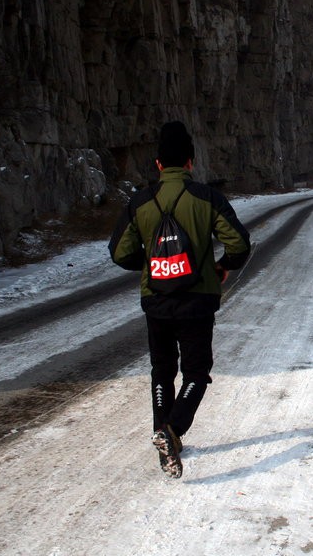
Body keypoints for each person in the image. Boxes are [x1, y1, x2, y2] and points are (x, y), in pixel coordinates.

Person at [108, 121, 250, 478]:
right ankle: (172, 430)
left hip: (156, 298)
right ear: (190, 161)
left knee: (162, 370)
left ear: (158, 164)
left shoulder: (140, 201)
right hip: (197, 299)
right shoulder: (207, 198)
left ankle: (164, 435)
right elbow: (239, 243)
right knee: (196, 372)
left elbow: (119, 253)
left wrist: (154, 264)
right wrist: (221, 266)